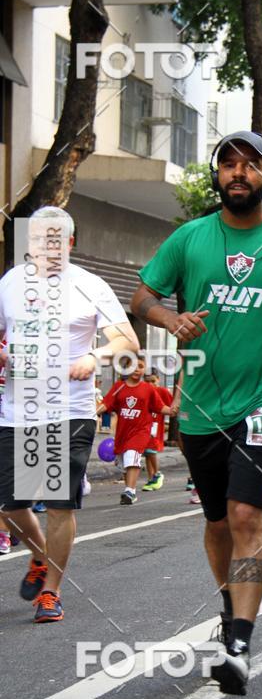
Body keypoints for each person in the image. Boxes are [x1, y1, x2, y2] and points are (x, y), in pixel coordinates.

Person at [130, 130, 262, 696]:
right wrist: (169, 320)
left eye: (250, 165)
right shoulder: (189, 239)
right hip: (200, 407)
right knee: (217, 522)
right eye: (228, 164)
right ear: (217, 176)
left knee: (247, 518)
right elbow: (142, 295)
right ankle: (229, 602)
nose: (238, 173)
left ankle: (239, 643)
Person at [0, 206, 139, 622]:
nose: (47, 246)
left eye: (56, 238)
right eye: (40, 238)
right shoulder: (10, 283)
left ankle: (51, 591)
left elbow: (126, 340)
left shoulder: (89, 285)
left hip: (69, 410)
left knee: (59, 504)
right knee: (8, 502)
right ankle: (40, 555)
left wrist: (95, 355)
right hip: (16, 409)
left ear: (70, 243)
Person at [96, 356, 173, 505]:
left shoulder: (148, 388)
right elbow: (106, 404)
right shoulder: (119, 386)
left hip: (141, 431)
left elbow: (159, 407)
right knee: (124, 463)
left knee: (132, 455)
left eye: (141, 366)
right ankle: (128, 490)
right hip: (122, 433)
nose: (138, 369)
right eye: (134, 366)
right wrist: (91, 413)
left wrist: (172, 411)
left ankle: (130, 491)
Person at [142, 369, 174, 491]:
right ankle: (151, 479)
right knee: (147, 453)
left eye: (153, 381)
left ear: (158, 380)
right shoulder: (143, 392)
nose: (150, 384)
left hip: (156, 426)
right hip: (144, 426)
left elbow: (172, 405)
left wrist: (169, 423)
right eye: (147, 381)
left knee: (151, 450)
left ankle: (157, 473)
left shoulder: (162, 391)